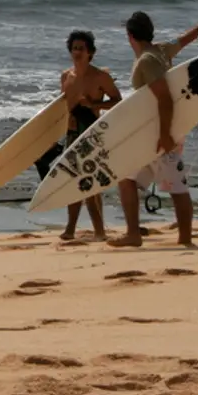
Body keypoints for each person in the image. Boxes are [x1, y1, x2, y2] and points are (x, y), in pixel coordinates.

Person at [109, 10, 198, 249]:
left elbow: (163, 99)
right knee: (156, 182)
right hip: (167, 130)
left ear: (130, 35)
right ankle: (183, 238)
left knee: (152, 182)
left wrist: (164, 135)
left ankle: (137, 234)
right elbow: (185, 39)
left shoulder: (147, 61)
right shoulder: (161, 50)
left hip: (157, 132)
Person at [55, 30, 122, 240]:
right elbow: (61, 106)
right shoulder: (66, 76)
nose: (77, 52)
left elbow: (117, 101)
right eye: (74, 48)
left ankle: (99, 231)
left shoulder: (100, 76)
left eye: (81, 49)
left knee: (90, 182)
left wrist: (94, 104)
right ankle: (71, 228)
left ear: (90, 52)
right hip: (71, 133)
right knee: (71, 180)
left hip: (91, 133)